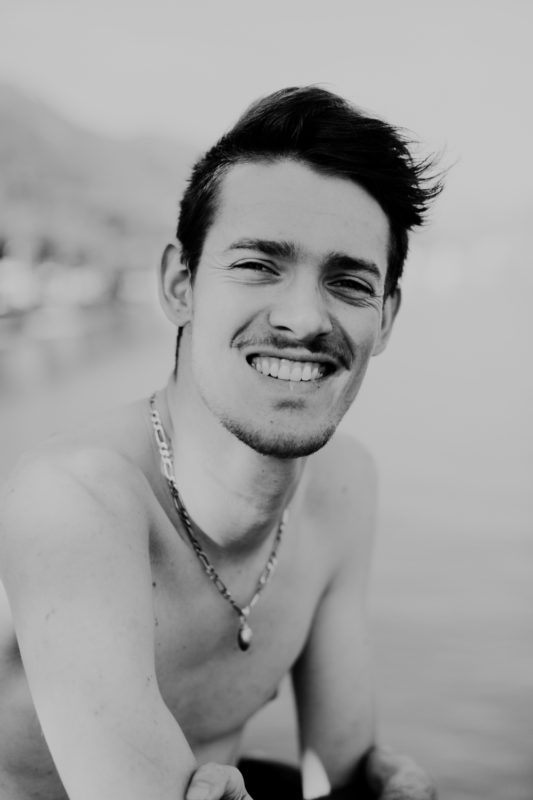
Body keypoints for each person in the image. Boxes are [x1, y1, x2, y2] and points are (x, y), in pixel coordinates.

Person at [0, 86, 442, 800]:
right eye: (258, 265)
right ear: (180, 284)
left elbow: (342, 779)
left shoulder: (343, 487)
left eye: (349, 282)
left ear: (385, 317)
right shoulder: (75, 504)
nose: (304, 319)